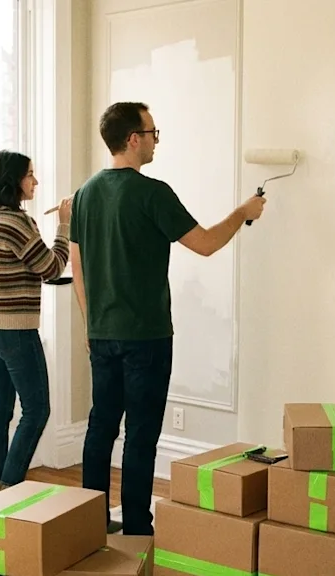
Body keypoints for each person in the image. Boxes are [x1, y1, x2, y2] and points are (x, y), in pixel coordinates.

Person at [69, 102, 267, 534]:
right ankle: (137, 528)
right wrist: (243, 213)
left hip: (101, 334)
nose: (156, 141)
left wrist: (89, 324)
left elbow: (77, 268)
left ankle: (90, 524)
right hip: (146, 337)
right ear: (133, 139)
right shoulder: (152, 193)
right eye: (152, 133)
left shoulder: (84, 194)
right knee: (141, 434)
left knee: (101, 427)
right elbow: (206, 244)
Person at [0, 150, 72, 491]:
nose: (35, 181)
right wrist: (65, 226)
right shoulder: (17, 222)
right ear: (13, 180)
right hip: (15, 331)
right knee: (37, 410)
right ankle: (10, 487)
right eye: (29, 175)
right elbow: (52, 267)